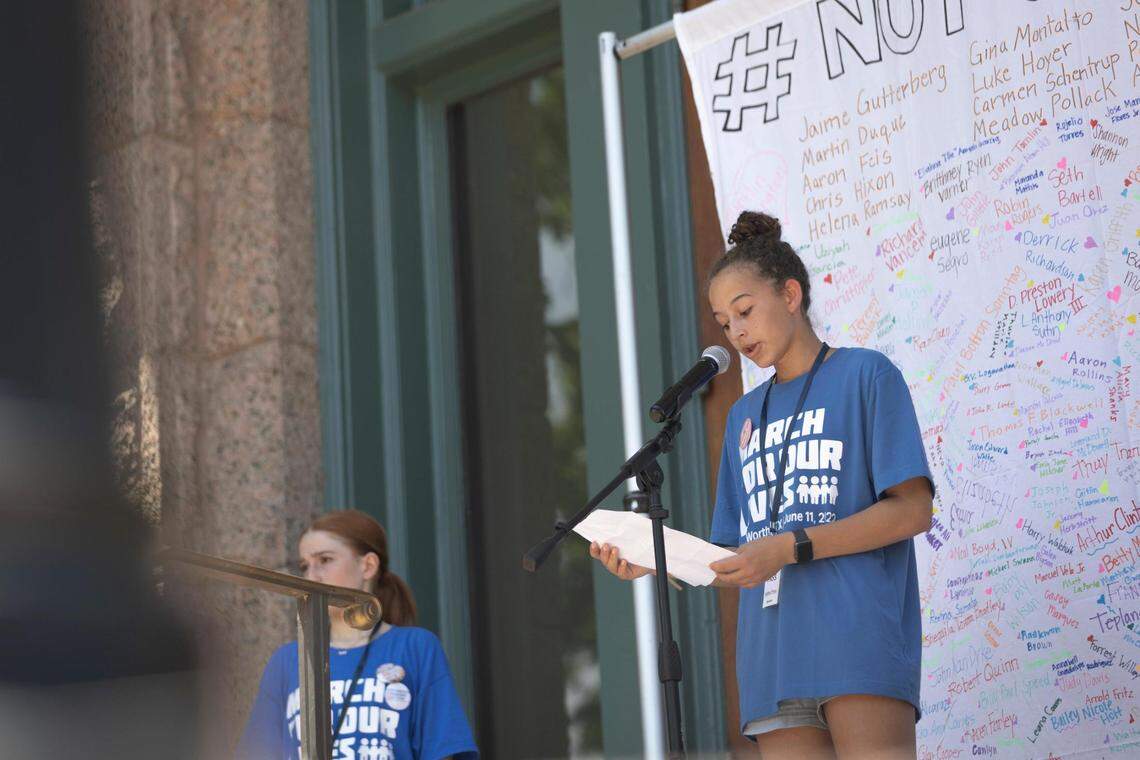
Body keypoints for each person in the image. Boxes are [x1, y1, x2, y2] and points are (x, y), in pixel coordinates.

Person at [590, 211, 934, 759]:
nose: (737, 333)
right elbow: (736, 554)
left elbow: (913, 511)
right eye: (724, 323)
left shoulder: (867, 376)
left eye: (745, 311)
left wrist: (792, 545)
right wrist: (656, 558)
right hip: (771, 654)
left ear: (791, 294)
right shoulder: (744, 415)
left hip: (857, 640)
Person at [239, 509, 478, 760]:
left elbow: (444, 749)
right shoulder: (287, 661)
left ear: (368, 566)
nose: (311, 576)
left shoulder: (415, 647)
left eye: (325, 560)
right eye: (304, 566)